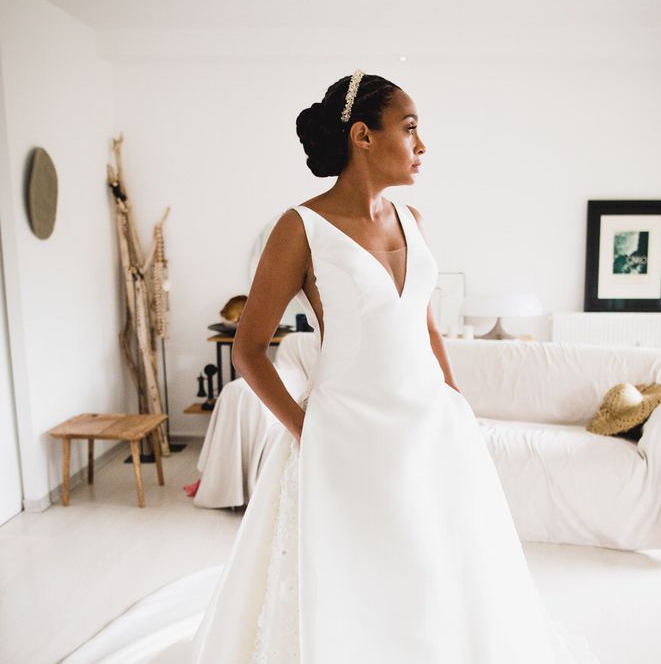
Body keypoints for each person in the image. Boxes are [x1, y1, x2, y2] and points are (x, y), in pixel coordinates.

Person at [62, 71, 599, 663]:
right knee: (355, 574)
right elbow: (247, 350)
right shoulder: (300, 228)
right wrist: (304, 429)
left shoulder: (412, 220)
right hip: (345, 433)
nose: (423, 146)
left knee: (442, 564)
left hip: (432, 426)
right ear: (363, 136)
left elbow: (423, 323)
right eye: (411, 128)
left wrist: (455, 398)